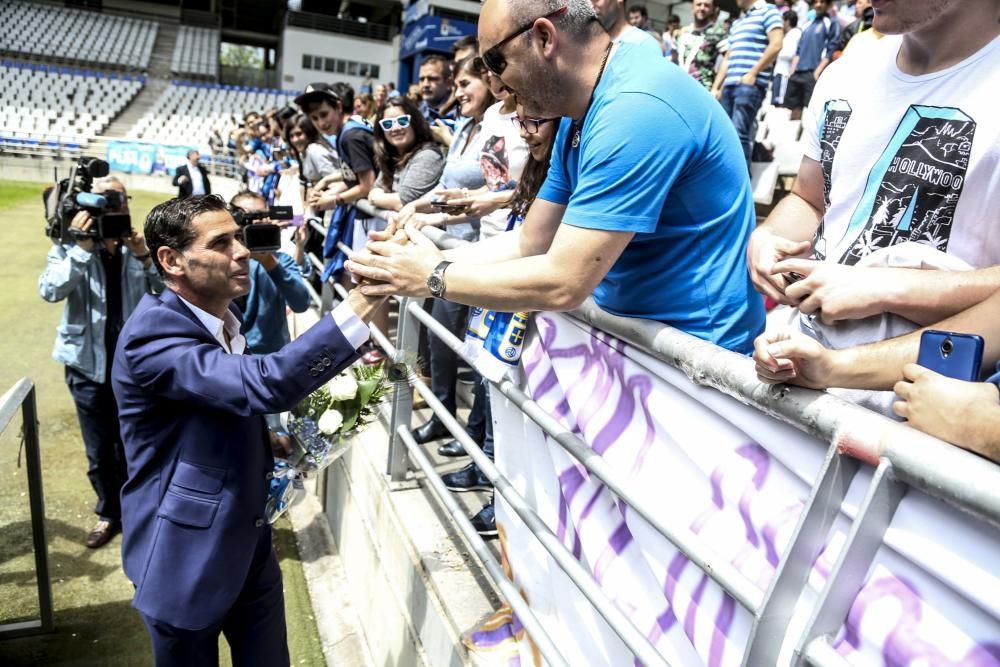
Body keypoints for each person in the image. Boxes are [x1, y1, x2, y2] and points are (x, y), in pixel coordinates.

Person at [347, 0, 764, 353]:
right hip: (641, 343)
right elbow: (532, 240)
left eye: (494, 61)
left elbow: (565, 281)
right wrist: (407, 264)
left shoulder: (634, 106)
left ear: (545, 38)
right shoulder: (581, 108)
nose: (495, 83)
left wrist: (433, 277)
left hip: (699, 354)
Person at [111, 194, 387, 666]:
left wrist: (268, 441)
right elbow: (266, 385)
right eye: (221, 242)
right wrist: (366, 298)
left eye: (239, 237)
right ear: (171, 260)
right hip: (184, 555)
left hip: (249, 542)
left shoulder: (222, 322)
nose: (241, 250)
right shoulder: (151, 334)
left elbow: (216, 408)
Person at [749, 0, 1000, 414]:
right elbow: (809, 197)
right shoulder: (846, 72)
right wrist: (771, 236)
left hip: (924, 421)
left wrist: (884, 287)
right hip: (798, 382)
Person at [443, 102, 560, 538]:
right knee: (499, 407)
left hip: (538, 316)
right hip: (511, 311)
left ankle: (504, 506)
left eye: (536, 120)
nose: (526, 133)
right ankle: (498, 499)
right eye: (522, 122)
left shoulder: (567, 164)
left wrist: (437, 268)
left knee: (516, 415)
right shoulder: (538, 166)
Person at [38, 176, 163, 548]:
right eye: (104, 201)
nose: (112, 207)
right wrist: (80, 249)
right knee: (99, 452)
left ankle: (140, 513)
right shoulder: (69, 246)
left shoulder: (141, 246)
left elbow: (166, 292)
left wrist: (143, 255)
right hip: (86, 367)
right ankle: (110, 513)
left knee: (137, 445)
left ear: (127, 203)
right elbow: (49, 290)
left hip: (134, 368)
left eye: (118, 199)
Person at [229, 191, 312, 354]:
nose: (258, 222)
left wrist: (270, 262)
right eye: (250, 217)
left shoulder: (281, 261)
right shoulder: (223, 259)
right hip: (231, 354)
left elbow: (301, 303)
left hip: (273, 356)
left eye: (262, 215)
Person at [712, 0, 784, 172]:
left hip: (748, 85)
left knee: (738, 134)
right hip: (729, 86)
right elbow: (727, 58)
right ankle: (725, 180)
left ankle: (741, 185)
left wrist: (753, 73)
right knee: (725, 137)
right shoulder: (738, 22)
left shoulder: (769, 11)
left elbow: (776, 44)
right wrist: (716, 87)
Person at [368, 96, 446, 212]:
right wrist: (377, 196)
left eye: (402, 121)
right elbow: (375, 189)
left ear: (414, 122)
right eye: (388, 124)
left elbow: (401, 202)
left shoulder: (428, 156)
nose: (396, 128)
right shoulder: (392, 156)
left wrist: (375, 198)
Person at [784, 0, 840, 120]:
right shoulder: (807, 24)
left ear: (828, 5)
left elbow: (831, 49)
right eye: (816, 2)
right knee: (793, 111)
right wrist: (793, 71)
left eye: (822, 2)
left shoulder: (831, 22)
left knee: (811, 113)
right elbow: (798, 50)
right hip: (798, 72)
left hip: (813, 73)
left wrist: (817, 72)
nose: (818, 5)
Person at [676, 0, 729, 90]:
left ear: (712, 10)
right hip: (677, 85)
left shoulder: (718, 33)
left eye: (706, 5)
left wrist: (716, 88)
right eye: (699, 4)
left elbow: (728, 59)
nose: (702, 8)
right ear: (692, 8)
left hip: (702, 89)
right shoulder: (683, 32)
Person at [592, 0, 663, 58]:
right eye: (632, 18)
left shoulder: (645, 43)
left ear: (644, 18)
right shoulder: (593, 42)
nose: (590, 5)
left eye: (636, 17)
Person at [772, 10, 802, 105]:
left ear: (787, 21)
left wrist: (774, 52)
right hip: (779, 70)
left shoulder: (795, 33)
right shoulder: (788, 34)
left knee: (779, 102)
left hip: (784, 72)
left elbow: (789, 53)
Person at [417, 55, 455, 124]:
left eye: (432, 79)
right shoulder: (417, 114)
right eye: (422, 79)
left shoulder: (460, 114)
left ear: (449, 83)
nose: (425, 84)